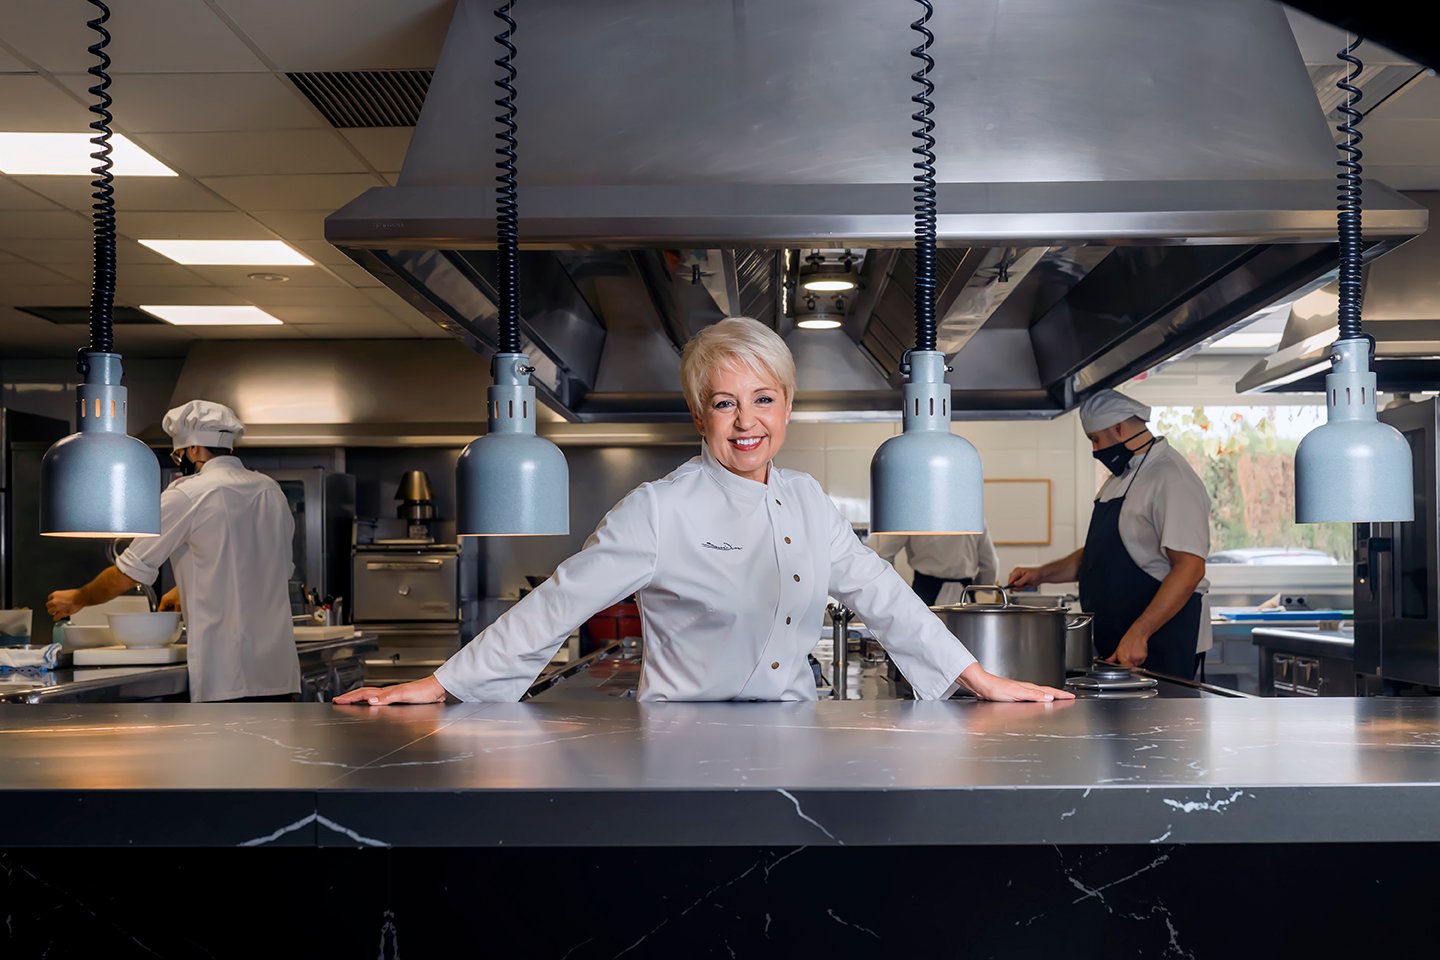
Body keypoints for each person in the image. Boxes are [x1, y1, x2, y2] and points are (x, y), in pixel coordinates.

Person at [338, 317, 1072, 706]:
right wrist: (442, 683)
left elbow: (883, 600)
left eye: (763, 399)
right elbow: (558, 605)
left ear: (787, 406)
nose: (746, 421)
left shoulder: (808, 501)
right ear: (700, 412)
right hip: (682, 749)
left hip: (794, 739)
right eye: (725, 402)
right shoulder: (660, 509)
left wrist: (975, 678)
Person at [46, 400, 300, 703]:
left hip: (227, 676)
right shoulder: (271, 491)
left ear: (193, 450)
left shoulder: (187, 494)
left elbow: (129, 571)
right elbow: (268, 569)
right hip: (279, 672)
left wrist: (79, 598)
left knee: (227, 752)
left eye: (177, 452)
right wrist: (186, 588)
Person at [1008, 390, 1211, 678]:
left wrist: (1140, 633)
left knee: (1160, 724)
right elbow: (1099, 554)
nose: (1095, 449)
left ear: (1118, 428)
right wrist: (1040, 574)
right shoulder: (1121, 479)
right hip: (1120, 645)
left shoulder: (1170, 477)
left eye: (1096, 439)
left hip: (1159, 643)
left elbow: (1190, 567)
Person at [872, 528, 1002, 605]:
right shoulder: (972, 515)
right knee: (965, 646)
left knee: (923, 648)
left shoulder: (914, 513)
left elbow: (884, 555)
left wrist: (892, 592)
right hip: (965, 597)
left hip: (924, 595)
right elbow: (990, 565)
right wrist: (981, 587)